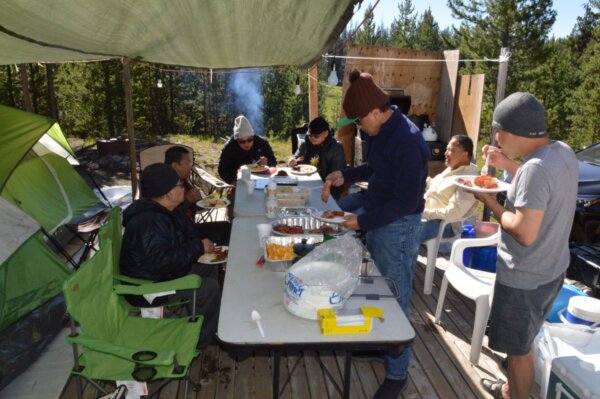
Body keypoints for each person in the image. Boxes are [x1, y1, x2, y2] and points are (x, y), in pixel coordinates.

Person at [322, 69, 430, 399]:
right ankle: (379, 345)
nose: (358, 127)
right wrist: (346, 173)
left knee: (395, 295)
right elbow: (374, 168)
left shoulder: (409, 141)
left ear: (374, 112)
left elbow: (406, 202)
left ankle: (397, 374)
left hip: (398, 224)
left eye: (359, 121)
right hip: (378, 209)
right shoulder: (378, 129)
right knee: (375, 286)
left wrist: (362, 223)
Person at [474, 93, 578, 399]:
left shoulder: (535, 169)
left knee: (519, 353)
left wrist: (490, 201)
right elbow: (539, 187)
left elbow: (524, 232)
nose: (496, 138)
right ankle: (510, 389)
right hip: (552, 270)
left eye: (499, 132)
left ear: (514, 132)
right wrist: (508, 163)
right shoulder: (562, 152)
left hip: (524, 278)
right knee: (527, 337)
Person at [120, 163, 221, 348]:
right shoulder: (149, 222)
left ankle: (200, 318)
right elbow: (159, 263)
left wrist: (199, 245)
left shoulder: (165, 210)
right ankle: (199, 340)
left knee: (209, 264)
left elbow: (181, 239)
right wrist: (197, 247)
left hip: (159, 273)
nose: (184, 188)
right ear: (168, 192)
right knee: (208, 288)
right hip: (147, 287)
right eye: (180, 185)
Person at [165, 145, 231, 245]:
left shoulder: (183, 180)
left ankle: (221, 255)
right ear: (175, 165)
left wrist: (202, 201)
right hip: (178, 233)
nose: (191, 166)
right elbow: (169, 217)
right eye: (188, 162)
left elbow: (195, 205)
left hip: (189, 225)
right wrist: (187, 201)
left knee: (226, 226)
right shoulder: (165, 185)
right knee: (221, 231)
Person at [420, 135, 478, 242]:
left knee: (403, 232)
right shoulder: (452, 168)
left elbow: (454, 213)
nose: (445, 153)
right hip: (426, 215)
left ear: (464, 154)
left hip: (445, 225)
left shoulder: (469, 179)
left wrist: (424, 213)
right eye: (446, 149)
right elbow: (433, 185)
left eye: (451, 150)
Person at [287, 116, 346, 199]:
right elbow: (296, 158)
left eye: (316, 136)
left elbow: (336, 175)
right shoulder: (305, 143)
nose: (312, 138)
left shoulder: (335, 148)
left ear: (326, 133)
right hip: (305, 185)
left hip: (328, 190)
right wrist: (292, 161)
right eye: (310, 135)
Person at [218, 114, 277, 184]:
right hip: (238, 181)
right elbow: (222, 170)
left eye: (249, 140)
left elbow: (273, 162)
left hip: (261, 180)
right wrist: (233, 182)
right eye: (242, 142)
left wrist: (267, 163)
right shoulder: (229, 148)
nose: (246, 144)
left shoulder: (262, 143)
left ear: (253, 136)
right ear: (236, 140)